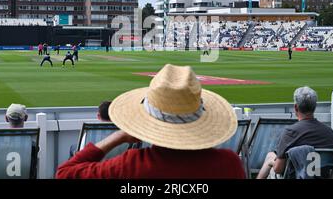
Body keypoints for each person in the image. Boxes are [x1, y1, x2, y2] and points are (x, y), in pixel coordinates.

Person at [56, 64, 246, 179]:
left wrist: (118, 137)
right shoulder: (229, 164)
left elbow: (65, 173)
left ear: (149, 120)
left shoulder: (131, 165)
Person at [256, 86, 333, 179]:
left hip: (295, 176)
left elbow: (278, 169)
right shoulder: (329, 132)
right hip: (321, 176)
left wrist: (270, 162)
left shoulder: (290, 132)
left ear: (296, 107)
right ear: (314, 107)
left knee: (270, 157)